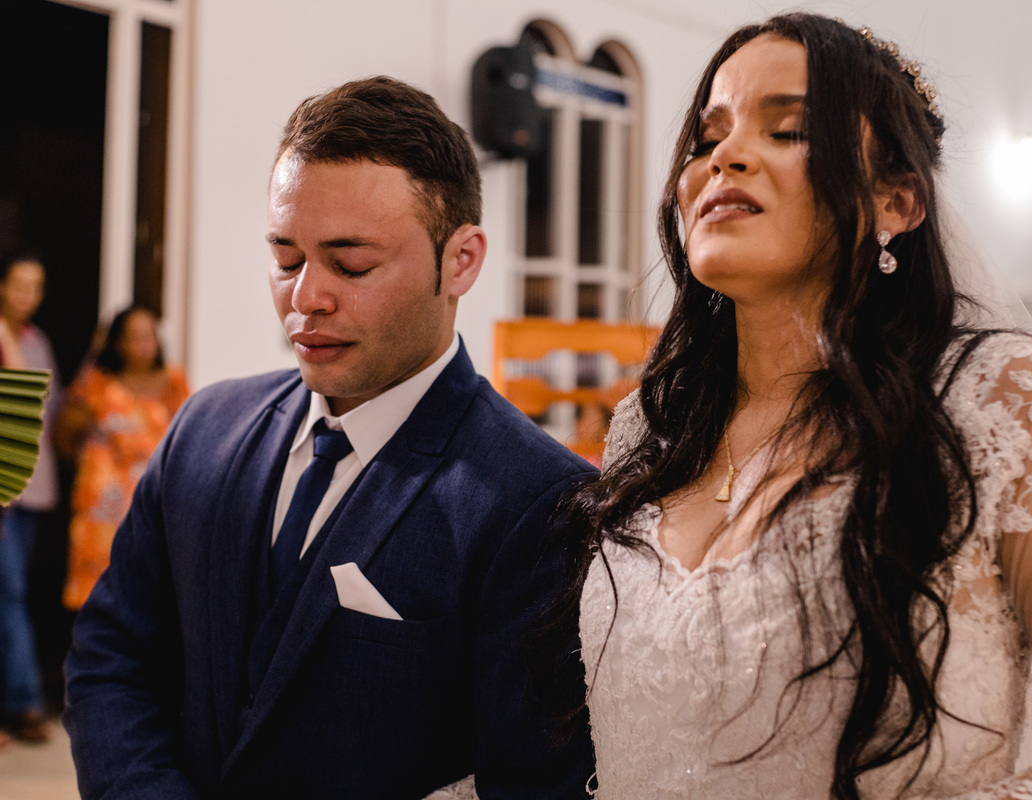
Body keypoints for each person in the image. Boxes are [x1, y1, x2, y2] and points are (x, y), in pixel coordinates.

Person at [567, 12, 1032, 799]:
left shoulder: (1005, 401)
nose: (725, 156)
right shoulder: (652, 426)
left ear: (897, 202)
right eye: (708, 137)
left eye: (789, 130)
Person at [63, 76, 595, 799]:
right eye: (286, 259)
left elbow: (528, 780)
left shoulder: (541, 501)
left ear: (461, 260)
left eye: (352, 264)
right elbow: (111, 656)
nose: (306, 297)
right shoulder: (203, 428)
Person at [55, 305, 190, 610]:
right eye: (134, 337)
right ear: (117, 343)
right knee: (99, 603)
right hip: (102, 516)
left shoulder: (174, 383)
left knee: (150, 599)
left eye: (149, 336)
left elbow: (190, 440)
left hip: (153, 510)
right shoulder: (98, 383)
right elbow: (64, 433)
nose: (144, 345)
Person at [0, 250, 61, 745]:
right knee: (9, 592)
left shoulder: (37, 341)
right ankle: (22, 703)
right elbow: (20, 403)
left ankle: (19, 703)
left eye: (36, 286)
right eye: (20, 284)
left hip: (27, 485)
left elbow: (46, 409)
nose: (28, 295)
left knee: (14, 591)